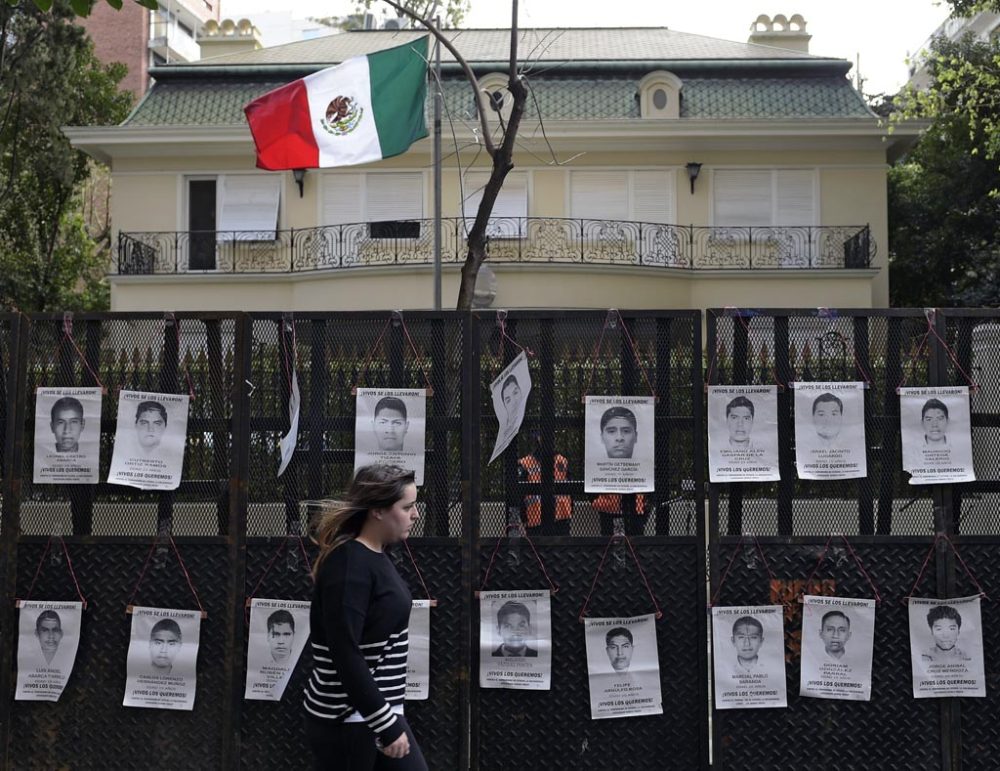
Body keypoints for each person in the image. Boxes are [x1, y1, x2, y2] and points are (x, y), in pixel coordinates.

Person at [304, 464, 427, 770]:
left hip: (372, 714)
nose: (415, 515)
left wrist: (386, 717)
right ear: (378, 511)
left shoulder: (374, 556)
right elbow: (345, 652)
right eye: (407, 507)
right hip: (350, 718)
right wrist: (385, 724)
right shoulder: (350, 566)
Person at [518, 434, 572, 535]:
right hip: (536, 519)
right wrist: (523, 518)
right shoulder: (526, 463)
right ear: (538, 438)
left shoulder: (562, 461)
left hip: (560, 518)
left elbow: (570, 489)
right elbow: (520, 494)